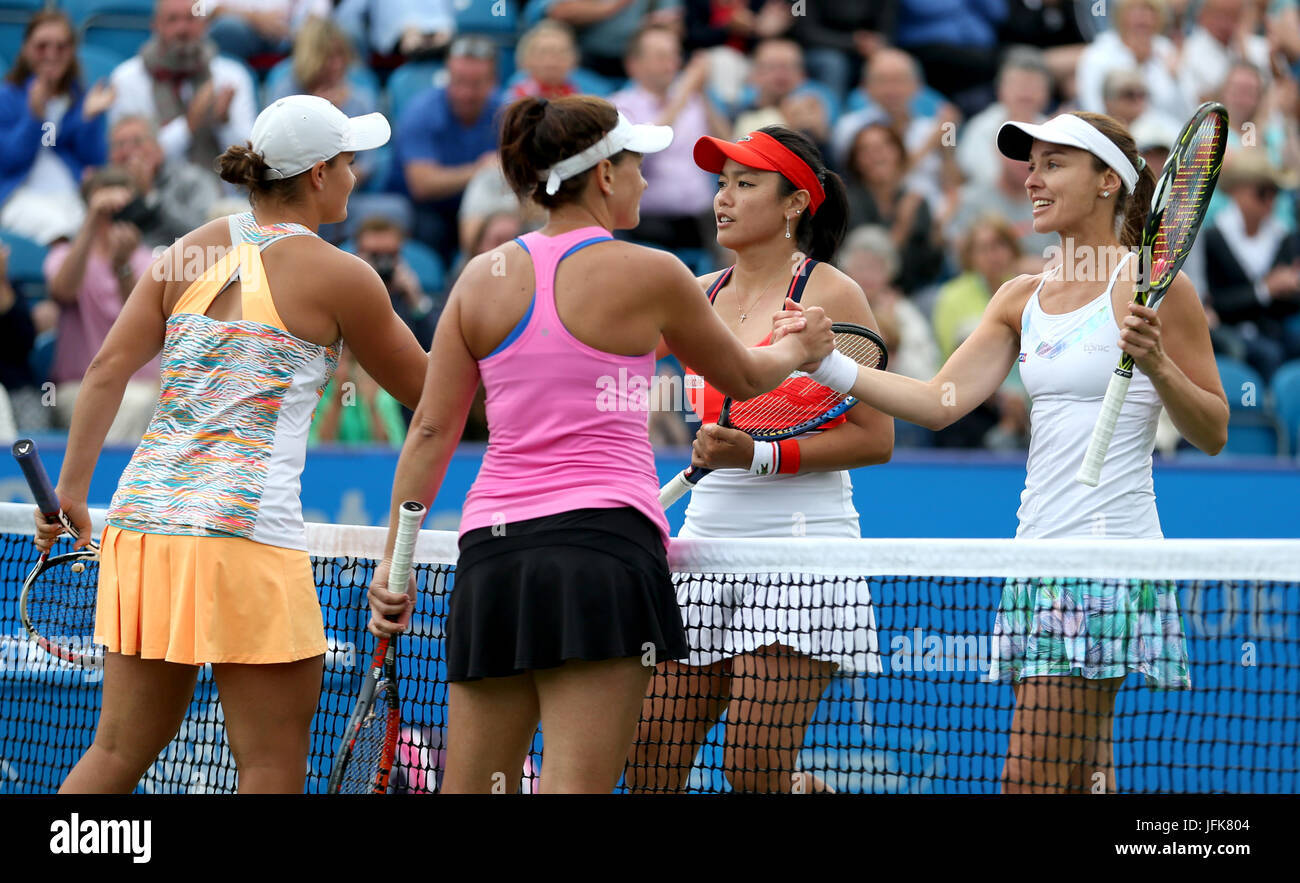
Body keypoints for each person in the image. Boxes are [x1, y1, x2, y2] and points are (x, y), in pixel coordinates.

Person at [364, 95, 834, 794]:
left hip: (495, 560)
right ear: (605, 177)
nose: (647, 180)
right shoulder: (654, 274)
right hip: (604, 558)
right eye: (637, 164)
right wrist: (802, 344)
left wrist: (395, 571)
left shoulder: (478, 281)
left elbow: (432, 430)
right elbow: (744, 373)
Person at [788, 110, 1230, 792]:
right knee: (1086, 776)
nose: (1032, 179)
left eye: (1054, 163)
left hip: (1106, 558)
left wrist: (1160, 366)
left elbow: (1213, 432)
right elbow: (939, 403)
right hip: (1035, 557)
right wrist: (829, 365)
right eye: (1032, 164)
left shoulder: (1156, 288)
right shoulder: (1020, 297)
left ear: (1108, 181)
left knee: (1028, 780)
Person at [36, 95, 428, 794]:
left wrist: (68, 491)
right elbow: (433, 391)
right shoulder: (345, 277)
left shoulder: (186, 251)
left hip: (144, 529)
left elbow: (103, 371)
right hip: (244, 538)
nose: (355, 177)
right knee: (272, 768)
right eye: (348, 163)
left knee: (116, 752)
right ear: (316, 175)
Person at [625, 126, 894, 793]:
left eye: (746, 184)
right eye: (722, 183)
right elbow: (610, 363)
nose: (725, 198)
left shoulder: (832, 292)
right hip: (703, 547)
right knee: (650, 757)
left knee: (752, 766)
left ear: (796, 203)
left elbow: (875, 436)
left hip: (802, 551)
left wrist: (760, 455)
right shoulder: (695, 292)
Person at [44, 167, 160, 445]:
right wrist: (92, 220)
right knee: (130, 404)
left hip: (145, 385)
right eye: (108, 212)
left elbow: (146, 323)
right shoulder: (65, 256)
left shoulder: (150, 261)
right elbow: (63, 290)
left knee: (142, 401)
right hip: (80, 386)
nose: (115, 219)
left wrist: (122, 266)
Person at [611, 23, 731, 253]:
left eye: (675, 55)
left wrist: (702, 93)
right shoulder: (620, 106)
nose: (672, 64)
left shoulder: (693, 101)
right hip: (647, 223)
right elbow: (643, 151)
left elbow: (729, 147)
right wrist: (686, 90)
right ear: (634, 65)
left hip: (701, 220)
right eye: (661, 56)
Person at [0, 10, 113, 245]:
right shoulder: (7, 97)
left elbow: (94, 161)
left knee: (97, 231)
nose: (51, 55)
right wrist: (35, 117)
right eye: (42, 46)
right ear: (26, 49)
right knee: (61, 230)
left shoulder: (78, 99)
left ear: (71, 52)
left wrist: (88, 119)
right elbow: (9, 160)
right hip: (17, 197)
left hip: (69, 196)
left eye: (61, 47)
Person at [107, 0, 257, 169]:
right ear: (156, 25)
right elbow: (132, 156)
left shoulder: (231, 76)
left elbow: (249, 160)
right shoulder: (127, 79)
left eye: (191, 19)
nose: (182, 29)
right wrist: (189, 124)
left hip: (222, 189)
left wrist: (224, 122)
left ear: (205, 24)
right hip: (155, 190)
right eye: (172, 19)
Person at [392, 35, 503, 260]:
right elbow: (422, 185)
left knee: (504, 226)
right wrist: (480, 169)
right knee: (431, 230)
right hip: (425, 207)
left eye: (476, 84)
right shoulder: (421, 111)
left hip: (481, 205)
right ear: (447, 77)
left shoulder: (506, 112)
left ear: (493, 82)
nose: (466, 93)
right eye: (459, 81)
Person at [1202, 150, 1300, 380]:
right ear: (1239, 192)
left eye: (1275, 193)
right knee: (1269, 355)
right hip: (1232, 333)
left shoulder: (1283, 237)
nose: (1270, 201)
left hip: (1274, 329)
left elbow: (1288, 304)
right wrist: (1266, 290)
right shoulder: (1214, 238)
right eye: (1263, 192)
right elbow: (1216, 303)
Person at [109, 115, 222, 250]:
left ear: (158, 148)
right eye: (120, 145)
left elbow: (206, 233)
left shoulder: (191, 179)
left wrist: (151, 195)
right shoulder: (108, 196)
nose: (128, 152)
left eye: (137, 142)